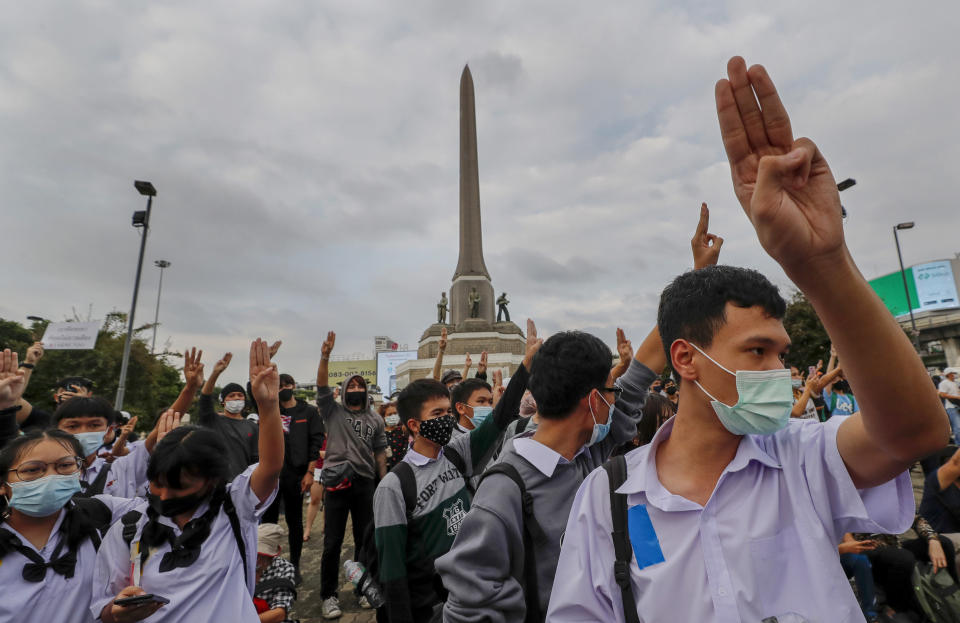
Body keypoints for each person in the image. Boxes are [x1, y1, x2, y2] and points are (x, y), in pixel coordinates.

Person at [547, 57, 948, 623]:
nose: (778, 373)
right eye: (757, 352)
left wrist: (823, 262)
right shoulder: (606, 501)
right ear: (686, 358)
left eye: (781, 354)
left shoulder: (804, 459)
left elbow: (915, 432)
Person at [437, 321, 660, 622]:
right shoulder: (502, 496)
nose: (616, 400)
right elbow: (468, 611)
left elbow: (638, 380)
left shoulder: (586, 454)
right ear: (594, 401)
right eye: (612, 391)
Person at [92, 339, 284, 623]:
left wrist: (268, 406)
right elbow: (103, 607)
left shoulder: (234, 509)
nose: (165, 495)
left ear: (211, 481)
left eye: (180, 485)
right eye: (157, 482)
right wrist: (119, 612)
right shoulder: (129, 526)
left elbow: (269, 467)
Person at [374, 321, 536, 623]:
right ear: (413, 425)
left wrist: (525, 367)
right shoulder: (394, 486)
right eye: (437, 414)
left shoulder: (456, 454)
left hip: (467, 595)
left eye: (448, 411)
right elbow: (392, 571)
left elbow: (497, 422)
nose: (447, 419)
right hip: (429, 606)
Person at [0, 427, 149, 623]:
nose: (51, 477)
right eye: (33, 469)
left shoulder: (104, 514)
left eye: (65, 465)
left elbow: (169, 508)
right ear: (3, 483)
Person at [315, 331, 388, 619]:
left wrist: (383, 481)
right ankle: (328, 595)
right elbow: (321, 386)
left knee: (365, 540)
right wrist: (325, 357)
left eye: (360, 384)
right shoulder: (332, 411)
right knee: (332, 542)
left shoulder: (375, 419)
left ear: (366, 390)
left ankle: (363, 589)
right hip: (336, 482)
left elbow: (380, 452)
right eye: (351, 384)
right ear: (344, 389)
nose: (356, 387)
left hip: (365, 483)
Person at [261, 373, 325, 583]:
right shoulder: (270, 410)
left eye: (286, 385)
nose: (283, 389)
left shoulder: (307, 411)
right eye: (278, 386)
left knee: (294, 521)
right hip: (271, 475)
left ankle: (295, 565)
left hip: (296, 474)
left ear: (293, 385)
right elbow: (252, 389)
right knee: (268, 522)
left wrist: (309, 472)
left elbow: (316, 443)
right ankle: (266, 566)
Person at [169, 348, 260, 480]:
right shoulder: (212, 420)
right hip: (212, 483)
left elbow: (255, 460)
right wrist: (215, 373)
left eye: (240, 395)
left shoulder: (252, 427)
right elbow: (205, 397)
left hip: (240, 486)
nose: (236, 398)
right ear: (223, 402)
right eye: (231, 396)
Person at [54, 396, 151, 498]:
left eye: (94, 425)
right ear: (56, 431)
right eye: (73, 426)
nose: (83, 431)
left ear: (108, 431)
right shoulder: (42, 472)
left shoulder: (119, 472)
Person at [254, 523, 298, 623]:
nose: (256, 559)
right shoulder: (239, 563)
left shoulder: (284, 568)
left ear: (271, 555)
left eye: (261, 555)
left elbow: (280, 613)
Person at [302, 440, 326, 543]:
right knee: (315, 500)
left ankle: (326, 528)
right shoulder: (318, 427)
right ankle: (307, 530)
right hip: (317, 468)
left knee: (329, 501)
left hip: (334, 466)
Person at [380, 401, 408, 472]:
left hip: (401, 469)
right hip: (384, 471)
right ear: (383, 417)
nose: (393, 416)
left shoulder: (403, 429)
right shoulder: (379, 433)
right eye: (389, 414)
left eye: (395, 413)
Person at [939, 368, 960, 444]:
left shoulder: (954, 383)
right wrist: (957, 397)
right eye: (953, 373)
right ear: (949, 374)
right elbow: (942, 394)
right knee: (957, 427)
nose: (954, 374)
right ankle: (958, 445)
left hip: (957, 406)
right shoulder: (944, 383)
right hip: (951, 407)